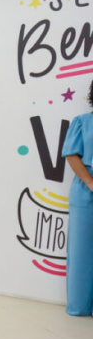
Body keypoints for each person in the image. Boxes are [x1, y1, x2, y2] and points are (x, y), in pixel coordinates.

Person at [63, 77, 93, 316]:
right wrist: (90, 183)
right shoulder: (83, 123)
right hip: (86, 193)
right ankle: (80, 306)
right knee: (82, 249)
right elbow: (72, 155)